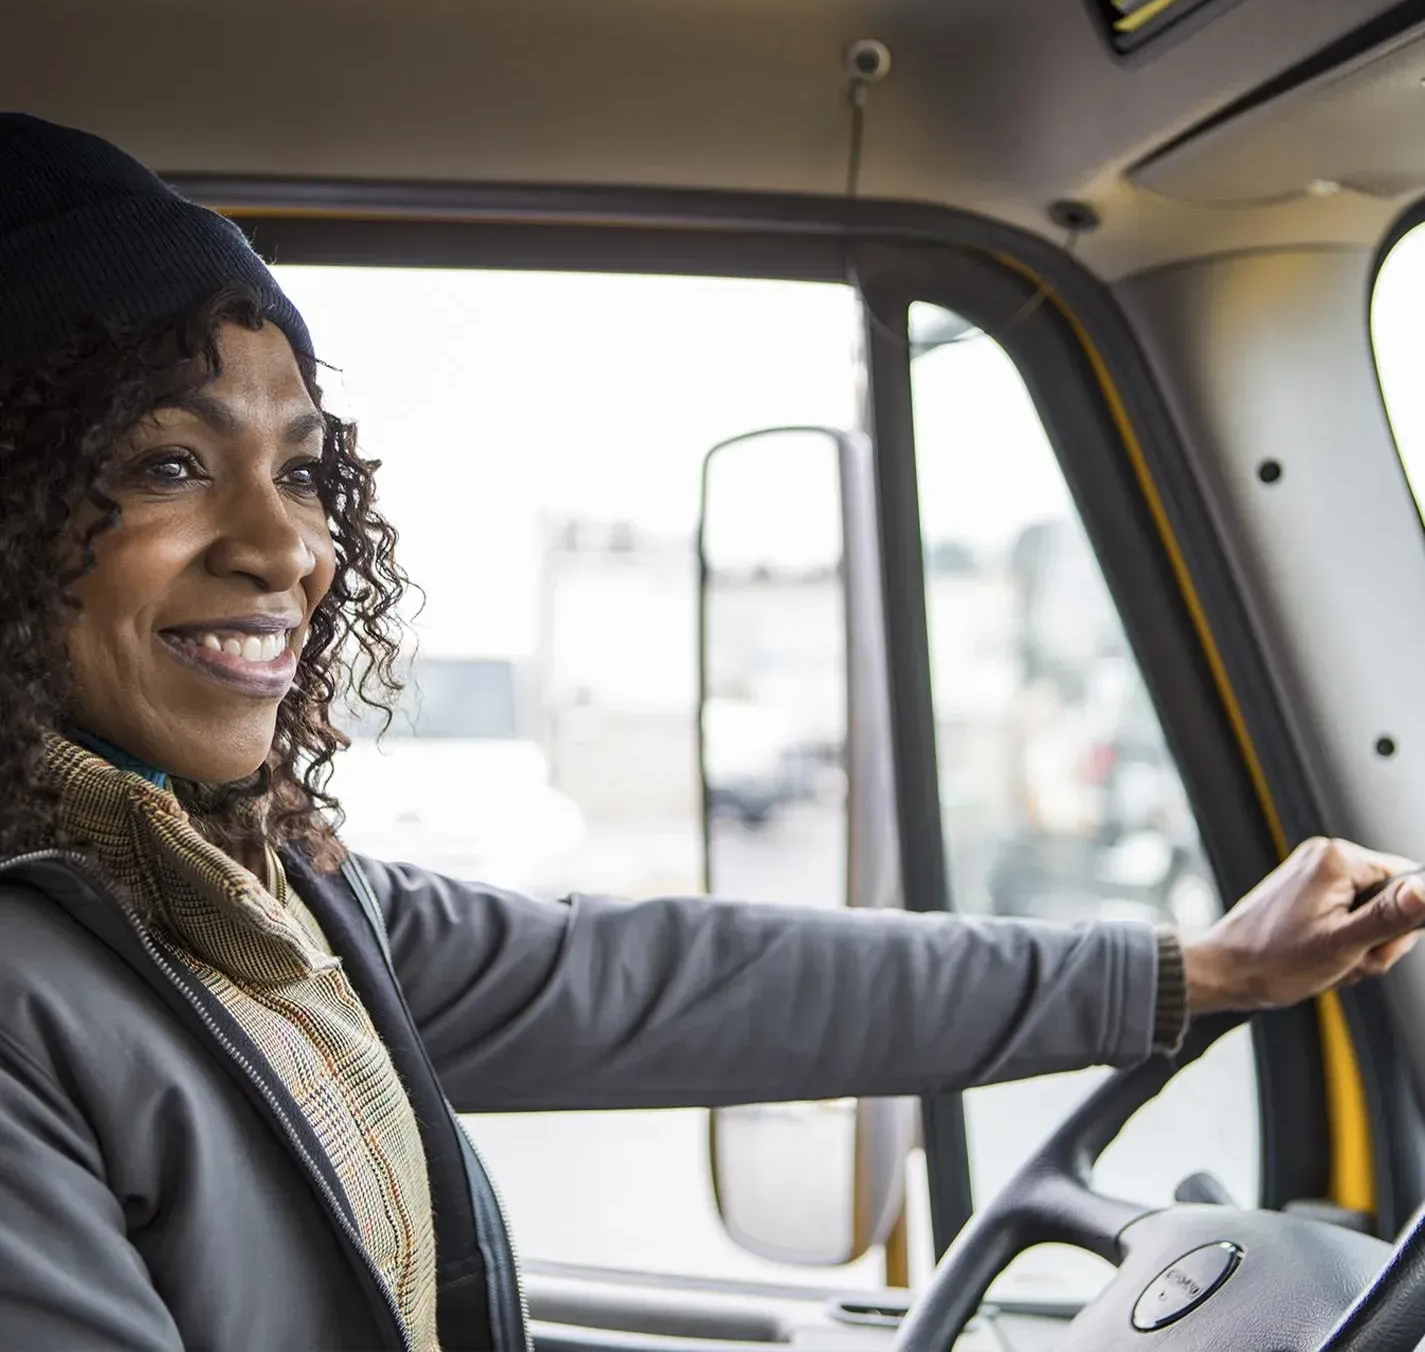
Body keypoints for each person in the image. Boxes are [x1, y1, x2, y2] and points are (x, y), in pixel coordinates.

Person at [0, 112, 1419, 1352]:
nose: (285, 547)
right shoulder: (31, 997)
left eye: (305, 472)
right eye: (169, 462)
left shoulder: (257, 898)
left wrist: (1202, 970)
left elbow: (676, 982)